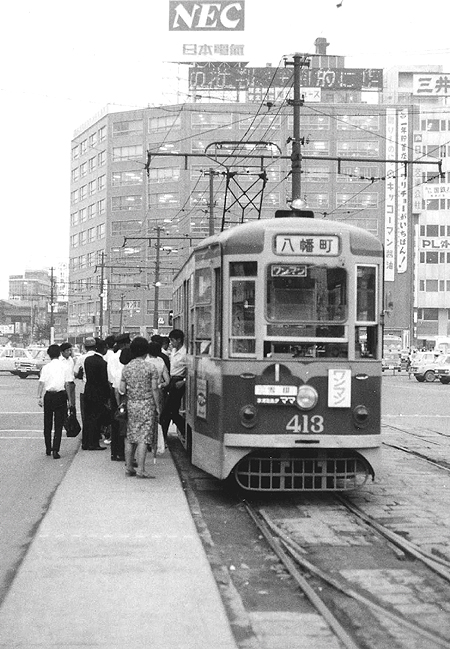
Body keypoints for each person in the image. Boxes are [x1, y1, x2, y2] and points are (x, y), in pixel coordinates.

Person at [120, 336, 160, 478]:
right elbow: (155, 389)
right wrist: (158, 406)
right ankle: (141, 470)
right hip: (147, 404)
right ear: (146, 351)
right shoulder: (151, 367)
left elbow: (122, 389)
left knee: (130, 436)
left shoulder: (127, 368)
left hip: (132, 404)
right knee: (143, 437)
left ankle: (129, 467)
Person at [37, 344, 75, 459]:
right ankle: (55, 450)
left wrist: (39, 396)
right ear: (59, 353)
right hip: (60, 396)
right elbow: (67, 384)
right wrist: (70, 400)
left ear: (49, 355)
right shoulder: (64, 367)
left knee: (47, 423)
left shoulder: (46, 367)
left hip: (48, 396)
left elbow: (41, 382)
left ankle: (48, 448)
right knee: (58, 424)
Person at [159, 329, 187, 442]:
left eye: (173, 340)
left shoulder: (185, 353)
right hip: (172, 381)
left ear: (179, 340)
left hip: (178, 381)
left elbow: (190, 369)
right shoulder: (174, 350)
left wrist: (184, 380)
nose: (171, 343)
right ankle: (183, 431)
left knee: (167, 412)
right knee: (171, 412)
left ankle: (162, 438)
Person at [83, 338, 109, 451]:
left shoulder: (88, 360)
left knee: (88, 418)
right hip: (98, 393)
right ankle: (94, 443)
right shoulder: (102, 363)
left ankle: (85, 442)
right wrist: (107, 395)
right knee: (96, 419)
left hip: (88, 390)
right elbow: (104, 380)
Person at [107, 333, 131, 461]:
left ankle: (114, 452)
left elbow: (110, 377)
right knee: (125, 424)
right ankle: (122, 453)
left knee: (115, 421)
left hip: (114, 389)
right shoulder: (127, 357)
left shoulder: (112, 357)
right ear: (126, 344)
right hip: (124, 392)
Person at [59, 342, 76, 417]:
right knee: (63, 405)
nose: (69, 352)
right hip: (63, 385)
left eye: (70, 350)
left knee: (72, 405)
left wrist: (73, 356)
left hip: (71, 383)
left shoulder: (71, 360)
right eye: (67, 350)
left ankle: (72, 424)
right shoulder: (59, 361)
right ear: (62, 352)